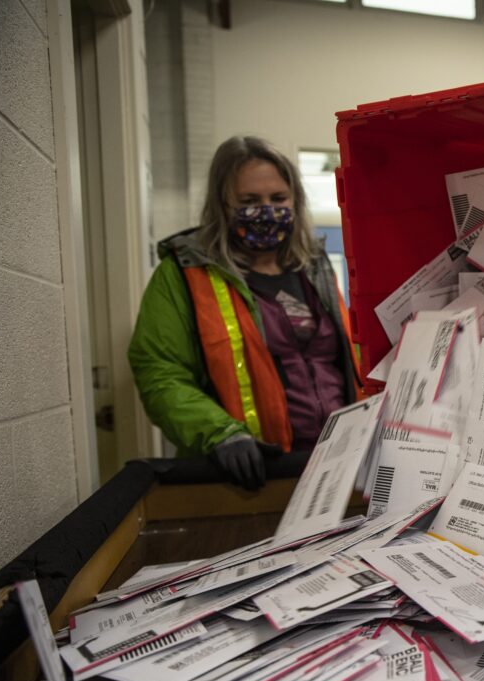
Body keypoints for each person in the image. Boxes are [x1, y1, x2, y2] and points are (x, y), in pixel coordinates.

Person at [129, 136, 360, 490]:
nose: (267, 210)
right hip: (249, 476)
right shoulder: (185, 273)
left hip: (333, 467)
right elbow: (160, 372)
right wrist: (220, 434)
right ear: (223, 204)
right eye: (250, 201)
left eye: (278, 199)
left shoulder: (313, 269)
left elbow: (345, 360)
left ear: (295, 201)